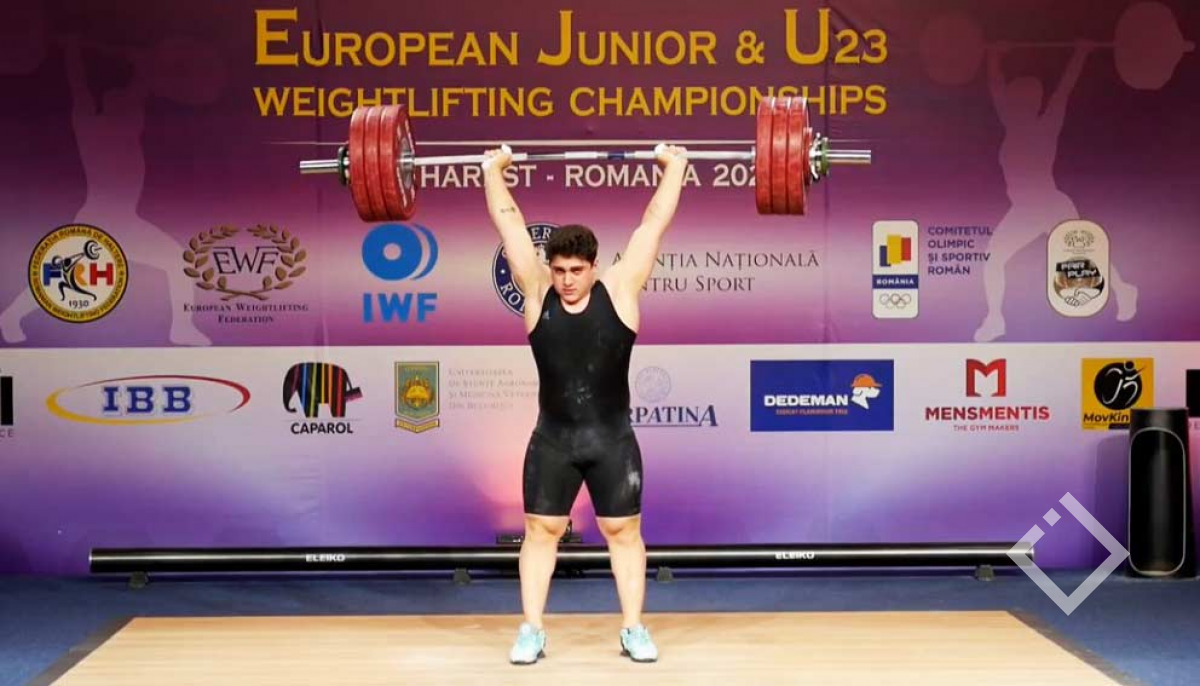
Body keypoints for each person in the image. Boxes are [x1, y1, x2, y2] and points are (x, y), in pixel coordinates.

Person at [482, 142, 688, 664]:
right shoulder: (536, 292)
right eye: (560, 270)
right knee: (540, 531)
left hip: (611, 440)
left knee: (624, 532)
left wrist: (675, 168)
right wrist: (493, 170)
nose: (568, 280)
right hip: (553, 439)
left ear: (595, 266)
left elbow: (653, 224)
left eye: (577, 270)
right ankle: (531, 630)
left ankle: (633, 629)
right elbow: (510, 225)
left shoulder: (620, 289)